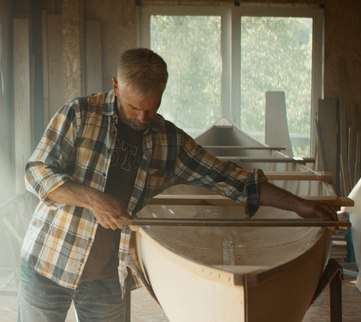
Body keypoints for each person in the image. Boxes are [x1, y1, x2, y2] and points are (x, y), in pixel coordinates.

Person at [18, 47, 338, 322]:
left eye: (152, 108)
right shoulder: (79, 114)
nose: (143, 119)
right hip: (49, 262)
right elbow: (36, 172)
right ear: (115, 86)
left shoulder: (169, 142)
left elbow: (234, 180)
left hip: (106, 277)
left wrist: (303, 207)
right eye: (133, 108)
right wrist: (93, 199)